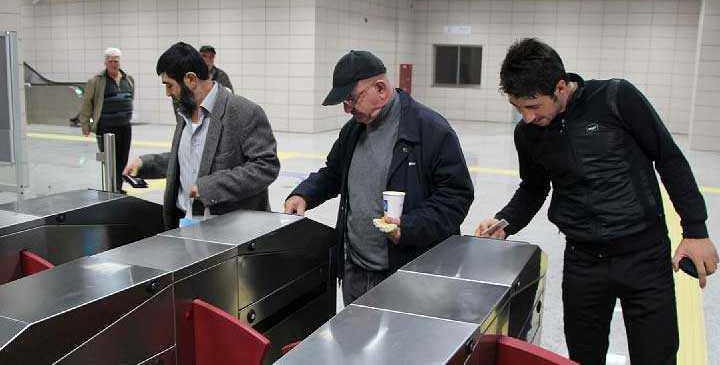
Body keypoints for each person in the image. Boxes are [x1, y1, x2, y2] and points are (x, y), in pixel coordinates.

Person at [474, 38, 719, 365]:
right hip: (583, 263)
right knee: (583, 357)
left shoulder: (616, 98)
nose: (528, 117)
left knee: (657, 356)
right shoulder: (528, 134)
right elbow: (533, 188)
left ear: (560, 87)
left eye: (533, 106)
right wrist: (504, 222)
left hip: (644, 257)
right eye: (519, 108)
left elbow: (669, 158)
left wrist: (696, 230)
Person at [284, 50, 474, 305]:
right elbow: (333, 173)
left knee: (403, 344)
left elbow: (456, 197)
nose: (346, 109)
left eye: (351, 99)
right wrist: (304, 193)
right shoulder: (353, 131)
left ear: (381, 89)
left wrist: (408, 227)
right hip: (356, 273)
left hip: (408, 278)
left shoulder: (430, 130)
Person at [123, 42, 279, 229]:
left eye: (169, 85)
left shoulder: (244, 112)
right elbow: (192, 159)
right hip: (185, 223)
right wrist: (146, 164)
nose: (167, 93)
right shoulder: (185, 113)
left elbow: (266, 166)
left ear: (191, 79)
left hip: (227, 232)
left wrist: (210, 187)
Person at [78, 47, 134, 192]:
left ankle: (117, 187)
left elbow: (130, 98)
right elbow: (87, 103)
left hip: (125, 126)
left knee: (123, 159)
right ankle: (112, 188)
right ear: (105, 62)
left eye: (116, 61)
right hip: (106, 127)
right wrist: (85, 124)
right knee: (109, 160)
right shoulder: (96, 81)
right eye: (111, 61)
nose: (114, 64)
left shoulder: (128, 79)